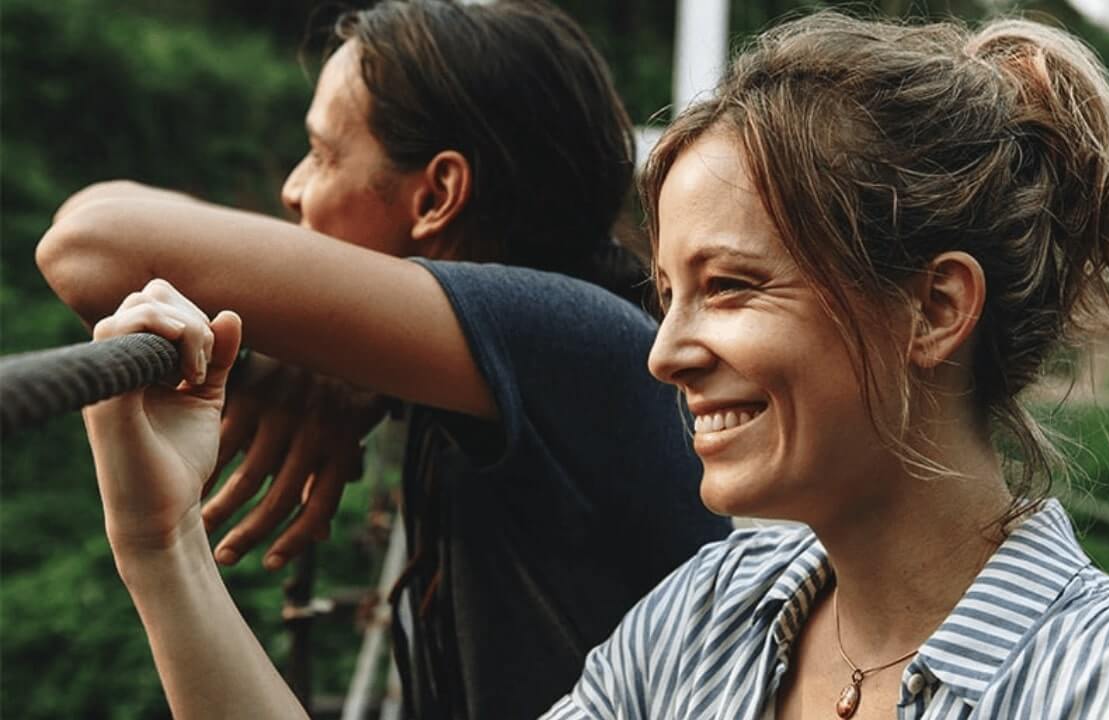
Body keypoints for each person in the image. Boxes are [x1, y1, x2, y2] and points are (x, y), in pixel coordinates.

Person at [542, 11, 1109, 720]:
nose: (664, 354)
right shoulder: (696, 623)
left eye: (729, 285)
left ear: (935, 308)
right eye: (668, 295)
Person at [37, 1, 728, 718]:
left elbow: (89, 245)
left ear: (436, 196)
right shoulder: (536, 363)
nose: (292, 189)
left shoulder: (570, 338)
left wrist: (308, 343)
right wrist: (336, 361)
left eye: (322, 154)